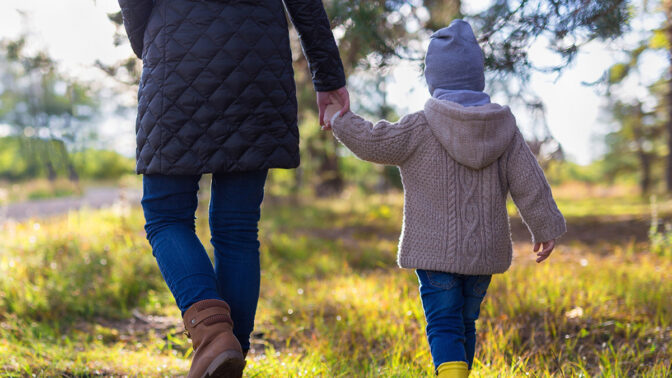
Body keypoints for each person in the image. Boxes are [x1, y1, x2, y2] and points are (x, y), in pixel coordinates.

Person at [117, 0, 349, 376]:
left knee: (165, 216)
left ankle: (212, 337)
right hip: (257, 59)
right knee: (237, 229)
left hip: (177, 52)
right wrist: (328, 76)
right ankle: (231, 354)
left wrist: (147, 39)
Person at [324, 19, 566, 378]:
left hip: (434, 252)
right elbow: (530, 183)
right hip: (484, 253)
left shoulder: (420, 126)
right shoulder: (505, 129)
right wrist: (545, 226)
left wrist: (339, 120)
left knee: (443, 325)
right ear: (477, 77)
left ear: (432, 78)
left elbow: (373, 141)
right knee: (466, 323)